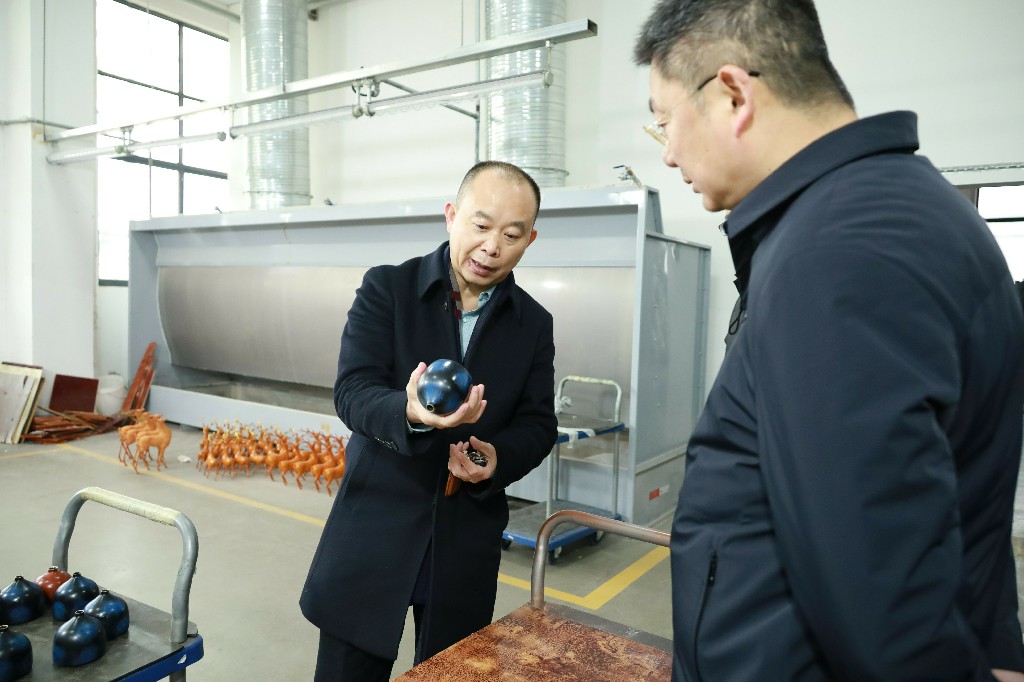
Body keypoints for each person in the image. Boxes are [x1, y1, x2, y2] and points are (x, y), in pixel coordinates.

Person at [634, 1, 1024, 680]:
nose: (667, 154)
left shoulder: (836, 252)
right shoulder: (902, 208)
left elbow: (882, 603)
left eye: (665, 122)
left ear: (733, 95)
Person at [299, 160, 557, 681]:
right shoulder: (388, 289)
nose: (491, 247)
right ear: (451, 216)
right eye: (481, 225)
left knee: (452, 671)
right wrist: (410, 412)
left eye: (511, 235)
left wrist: (497, 459)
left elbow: (538, 424)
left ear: (529, 240)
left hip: (465, 538)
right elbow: (353, 391)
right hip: (376, 526)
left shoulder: (532, 323)